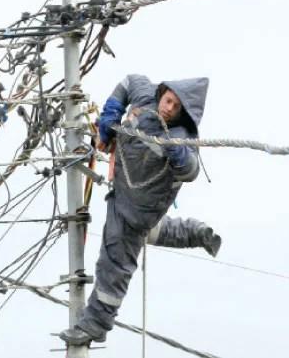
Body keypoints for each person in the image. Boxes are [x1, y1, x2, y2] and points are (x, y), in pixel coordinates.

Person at [60, 74, 222, 345]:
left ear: (183, 113)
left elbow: (191, 170)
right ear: (163, 93)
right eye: (168, 100)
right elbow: (129, 82)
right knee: (151, 231)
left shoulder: (181, 137)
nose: (168, 108)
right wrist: (111, 115)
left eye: (176, 107)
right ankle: (196, 232)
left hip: (140, 210)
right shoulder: (146, 96)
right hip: (124, 191)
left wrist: (175, 150)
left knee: (114, 262)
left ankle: (95, 326)